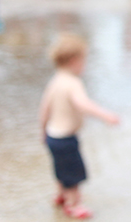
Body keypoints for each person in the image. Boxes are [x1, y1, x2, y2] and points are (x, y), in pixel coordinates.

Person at [38, 32, 120, 219]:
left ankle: (60, 195)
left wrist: (42, 132)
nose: (85, 64)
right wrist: (105, 115)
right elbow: (83, 104)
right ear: (74, 61)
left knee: (61, 169)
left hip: (52, 137)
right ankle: (73, 204)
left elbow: (44, 110)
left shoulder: (55, 80)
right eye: (85, 60)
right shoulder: (73, 83)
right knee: (73, 174)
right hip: (66, 139)